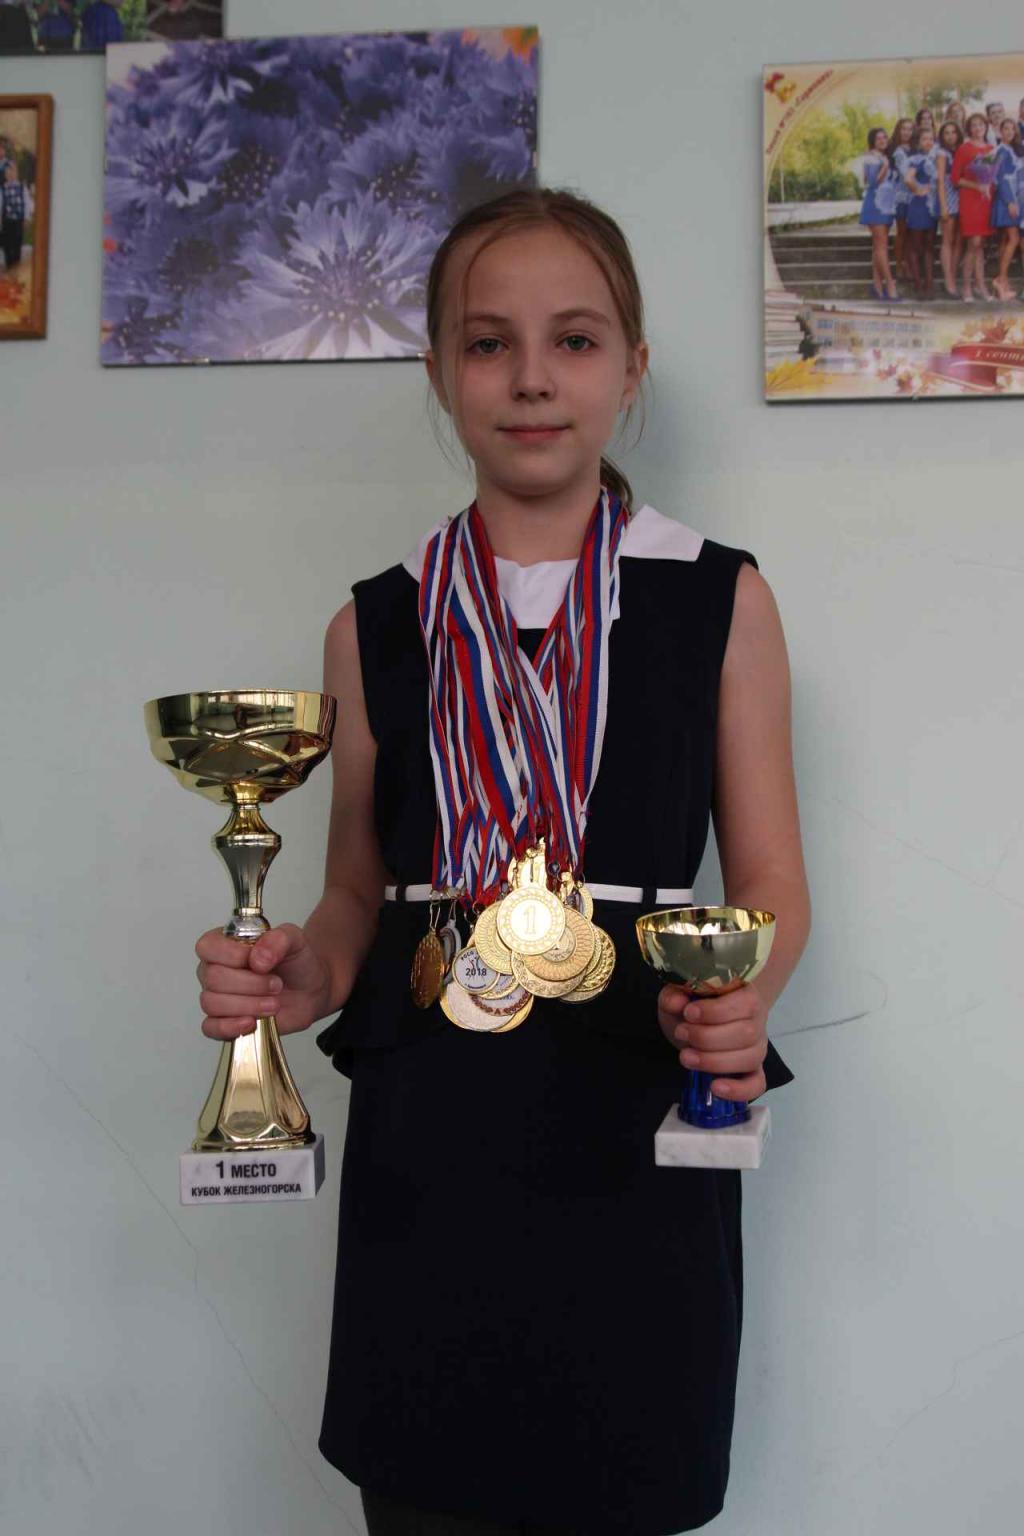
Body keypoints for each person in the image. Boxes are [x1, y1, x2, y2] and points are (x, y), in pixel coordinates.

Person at [193, 187, 809, 1536]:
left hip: (638, 1108)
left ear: (632, 368)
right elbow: (356, 890)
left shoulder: (719, 597)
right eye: (489, 343)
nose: (532, 377)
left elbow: (770, 882)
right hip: (434, 1137)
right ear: (438, 370)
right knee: (428, 1498)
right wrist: (304, 974)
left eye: (575, 340)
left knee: (627, 1481)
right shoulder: (375, 623)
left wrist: (744, 996)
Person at [953, 112, 998, 301]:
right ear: (969, 129)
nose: (978, 128)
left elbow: (992, 175)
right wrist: (977, 186)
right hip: (970, 199)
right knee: (974, 243)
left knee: (980, 246)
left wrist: (989, 184)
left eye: (981, 124)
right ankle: (966, 287)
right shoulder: (964, 149)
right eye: (974, 125)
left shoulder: (991, 149)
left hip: (986, 200)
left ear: (986, 127)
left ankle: (981, 286)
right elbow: (955, 179)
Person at [859, 126, 900, 301]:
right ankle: (890, 285)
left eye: (884, 137)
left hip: (887, 205)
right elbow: (872, 182)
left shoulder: (885, 156)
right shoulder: (870, 157)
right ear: (872, 141)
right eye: (878, 138)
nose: (883, 140)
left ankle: (877, 286)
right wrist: (885, 166)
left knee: (878, 246)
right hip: (875, 204)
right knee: (882, 246)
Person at [903, 125, 940, 298]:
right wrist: (918, 190)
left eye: (931, 139)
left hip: (931, 206)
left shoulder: (935, 158)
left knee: (929, 244)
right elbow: (908, 179)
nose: (928, 142)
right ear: (918, 142)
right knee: (916, 245)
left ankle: (929, 283)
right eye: (925, 139)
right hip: (918, 205)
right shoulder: (916, 159)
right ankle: (918, 285)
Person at [991, 118, 1022, 301]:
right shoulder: (1000, 150)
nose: (1009, 132)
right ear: (1000, 131)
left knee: (1006, 239)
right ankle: (1001, 279)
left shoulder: (1011, 149)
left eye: (1012, 129)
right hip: (1006, 199)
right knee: (1014, 238)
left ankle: (1003, 282)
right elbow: (1000, 178)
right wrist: (1010, 201)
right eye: (1006, 129)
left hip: (1013, 197)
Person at [935, 120, 964, 298]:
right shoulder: (941, 153)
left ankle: (953, 274)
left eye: (953, 132)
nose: (950, 136)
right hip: (948, 196)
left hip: (963, 197)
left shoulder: (961, 150)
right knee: (947, 240)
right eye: (946, 133)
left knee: (959, 241)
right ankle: (948, 280)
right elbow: (940, 180)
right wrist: (944, 206)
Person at [890, 117, 915, 281]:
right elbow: (906, 173)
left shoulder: (916, 149)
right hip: (903, 197)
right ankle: (899, 264)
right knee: (902, 232)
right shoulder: (898, 151)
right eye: (903, 129)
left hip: (916, 197)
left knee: (912, 234)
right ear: (898, 131)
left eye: (910, 129)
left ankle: (909, 264)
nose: (906, 132)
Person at [1, 159, 31, 271]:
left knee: (17, 246)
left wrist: (26, 218)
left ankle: (16, 269)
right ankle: (9, 267)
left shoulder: (22, 188)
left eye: (12, 171)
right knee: (7, 246)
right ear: (5, 175)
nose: (10, 174)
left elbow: (27, 203)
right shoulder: (2, 189)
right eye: (7, 172)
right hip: (7, 221)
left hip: (18, 220)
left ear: (16, 173)